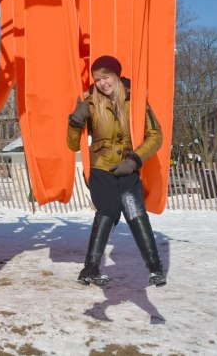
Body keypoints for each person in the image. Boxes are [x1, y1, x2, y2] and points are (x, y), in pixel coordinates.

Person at [67, 55, 166, 288]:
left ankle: (154, 268)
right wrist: (74, 122)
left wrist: (133, 161)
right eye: (97, 78)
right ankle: (90, 268)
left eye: (106, 76)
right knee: (110, 207)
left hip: (127, 165)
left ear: (117, 76)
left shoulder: (136, 100)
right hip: (100, 166)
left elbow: (156, 136)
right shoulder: (90, 102)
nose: (102, 82)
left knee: (134, 210)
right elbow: (73, 145)